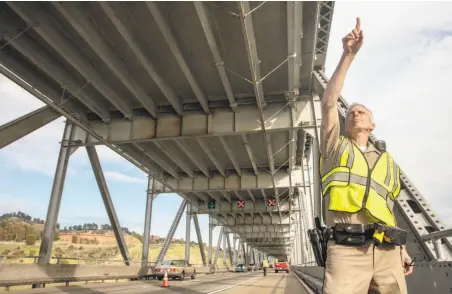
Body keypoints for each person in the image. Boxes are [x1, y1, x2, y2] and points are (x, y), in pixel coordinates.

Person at [319, 17, 414, 294]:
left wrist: (403, 250)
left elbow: (389, 208)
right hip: (347, 250)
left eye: (361, 111)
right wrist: (348, 55)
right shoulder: (335, 147)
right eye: (351, 112)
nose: (354, 112)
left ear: (372, 125)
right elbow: (328, 103)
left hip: (387, 251)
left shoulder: (387, 163)